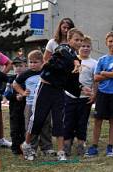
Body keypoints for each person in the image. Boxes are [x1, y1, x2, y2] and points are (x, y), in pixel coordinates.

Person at [21, 27, 83, 162]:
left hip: (58, 91)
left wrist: (82, 88)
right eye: (76, 40)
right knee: (37, 118)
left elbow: (71, 81)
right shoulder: (62, 49)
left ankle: (61, 151)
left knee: (59, 120)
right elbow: (63, 52)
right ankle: (27, 145)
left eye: (81, 40)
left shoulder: (75, 59)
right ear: (69, 39)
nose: (79, 43)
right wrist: (75, 61)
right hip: (45, 88)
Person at [86, 31, 113, 158]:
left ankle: (110, 146)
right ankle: (94, 146)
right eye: (110, 41)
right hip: (102, 93)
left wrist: (104, 73)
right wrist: (108, 74)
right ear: (106, 43)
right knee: (98, 120)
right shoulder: (102, 59)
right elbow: (96, 78)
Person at [12, 50, 53, 158]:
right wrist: (22, 92)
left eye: (35, 62)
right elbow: (15, 84)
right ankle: (31, 148)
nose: (32, 64)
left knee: (46, 125)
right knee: (31, 127)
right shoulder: (26, 74)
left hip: (45, 104)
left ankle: (47, 148)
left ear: (42, 62)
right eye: (30, 62)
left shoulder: (45, 72)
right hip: (30, 105)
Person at [62, 35, 96, 157]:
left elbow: (95, 80)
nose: (85, 48)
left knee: (82, 123)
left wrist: (94, 95)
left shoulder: (93, 63)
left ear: (91, 48)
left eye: (88, 46)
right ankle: (66, 146)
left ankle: (81, 145)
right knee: (68, 122)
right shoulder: (72, 59)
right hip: (70, 96)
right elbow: (66, 79)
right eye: (82, 46)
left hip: (85, 99)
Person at [6, 56, 28, 155]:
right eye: (15, 66)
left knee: (25, 127)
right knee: (15, 128)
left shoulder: (28, 79)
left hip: (26, 106)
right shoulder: (11, 80)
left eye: (20, 66)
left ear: (26, 66)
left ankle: (24, 146)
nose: (18, 68)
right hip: (14, 107)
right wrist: (15, 96)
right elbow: (6, 94)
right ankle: (15, 148)